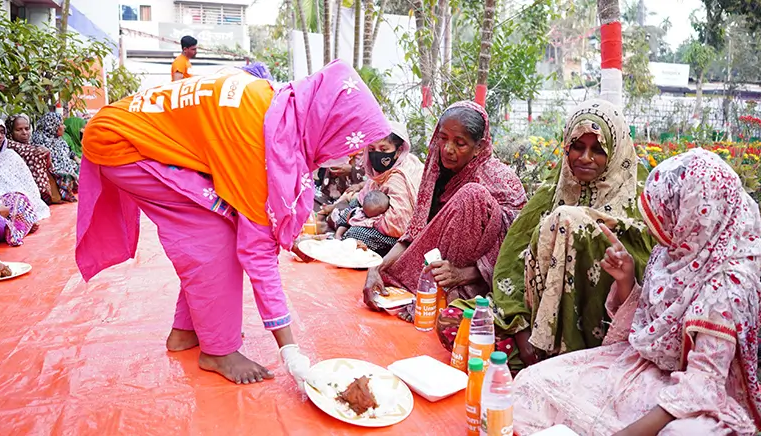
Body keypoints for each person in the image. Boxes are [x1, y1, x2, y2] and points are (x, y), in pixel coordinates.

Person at [76, 60, 390, 386]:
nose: (351, 158)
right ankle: (218, 350)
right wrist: (290, 350)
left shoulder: (274, 106)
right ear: (326, 123)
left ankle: (187, 331)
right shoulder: (256, 139)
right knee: (212, 236)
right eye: (348, 145)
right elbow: (257, 253)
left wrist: (291, 239)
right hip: (120, 143)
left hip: (125, 132)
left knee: (221, 226)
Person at [510, 149, 761, 435]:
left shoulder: (728, 283)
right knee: (532, 383)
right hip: (641, 367)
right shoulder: (673, 251)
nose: (656, 225)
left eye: (668, 213)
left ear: (694, 213)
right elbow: (644, 328)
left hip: (694, 395)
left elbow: (703, 384)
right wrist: (625, 280)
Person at [440, 99, 655, 371]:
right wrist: (521, 329)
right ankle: (541, 358)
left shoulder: (638, 204)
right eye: (577, 147)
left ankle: (566, 360)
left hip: (599, 332)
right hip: (533, 318)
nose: (585, 158)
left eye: (598, 149)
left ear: (614, 151)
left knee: (569, 220)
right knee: (451, 323)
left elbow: (646, 279)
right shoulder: (554, 190)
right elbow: (513, 260)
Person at [362, 101, 527, 314]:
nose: (448, 149)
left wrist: (462, 274)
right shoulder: (436, 176)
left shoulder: (499, 180)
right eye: (443, 139)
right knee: (384, 278)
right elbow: (416, 234)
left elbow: (516, 252)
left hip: (483, 282)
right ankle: (431, 292)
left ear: (479, 147)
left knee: (471, 194)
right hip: (439, 270)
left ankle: (453, 297)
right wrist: (377, 268)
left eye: (460, 143)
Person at [326, 121, 424, 256]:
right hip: (370, 219)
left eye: (384, 150)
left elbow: (398, 226)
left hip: (400, 239)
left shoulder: (400, 177)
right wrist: (344, 226)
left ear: (398, 151)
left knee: (356, 234)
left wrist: (360, 220)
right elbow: (359, 201)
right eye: (372, 149)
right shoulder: (378, 175)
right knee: (339, 214)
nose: (377, 155)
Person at [0, 115, 47, 245]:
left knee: (20, 200)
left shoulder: (10, 154)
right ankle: (18, 225)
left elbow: (26, 183)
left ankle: (19, 223)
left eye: (2, 132)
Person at [5, 114, 56, 203]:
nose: (24, 132)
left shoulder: (30, 144)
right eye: (18, 130)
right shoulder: (9, 144)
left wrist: (47, 153)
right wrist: (46, 152)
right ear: (10, 131)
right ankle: (42, 193)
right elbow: (33, 152)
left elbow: (50, 166)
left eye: (27, 128)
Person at [31, 112, 79, 202]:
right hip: (52, 174)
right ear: (51, 126)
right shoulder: (41, 141)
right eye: (61, 124)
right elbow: (51, 166)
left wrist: (76, 159)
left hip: (65, 168)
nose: (64, 127)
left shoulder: (59, 140)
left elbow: (67, 155)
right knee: (66, 176)